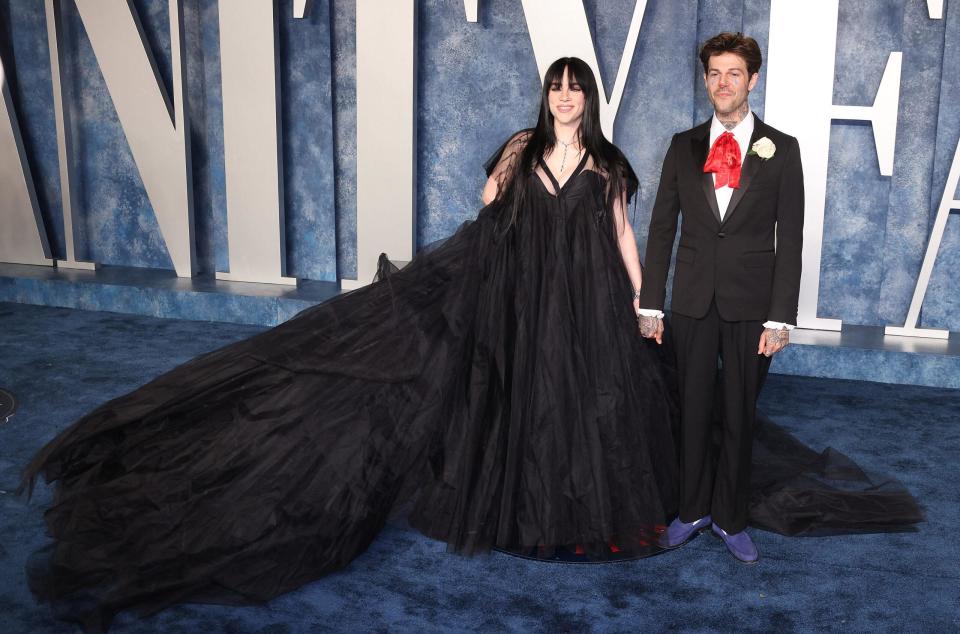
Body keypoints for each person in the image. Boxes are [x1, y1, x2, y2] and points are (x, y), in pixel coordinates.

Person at [22, 58, 681, 631]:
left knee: (576, 400)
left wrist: (640, 297)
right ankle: (523, 497)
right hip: (521, 296)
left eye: (575, 89)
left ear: (589, 98)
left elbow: (622, 234)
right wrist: (511, 160)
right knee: (514, 395)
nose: (565, 98)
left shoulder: (606, 162)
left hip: (581, 302)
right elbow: (487, 202)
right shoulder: (524, 145)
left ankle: (568, 502)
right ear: (547, 97)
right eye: (556, 89)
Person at [638, 32, 803, 563]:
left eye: (734, 73)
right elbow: (662, 229)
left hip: (752, 306)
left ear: (752, 80)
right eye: (714, 73)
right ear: (705, 79)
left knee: (738, 413)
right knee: (691, 410)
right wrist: (650, 304)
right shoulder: (683, 145)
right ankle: (691, 510)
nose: (723, 82)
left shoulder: (782, 148)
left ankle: (731, 518)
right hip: (688, 300)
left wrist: (780, 317)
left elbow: (791, 238)